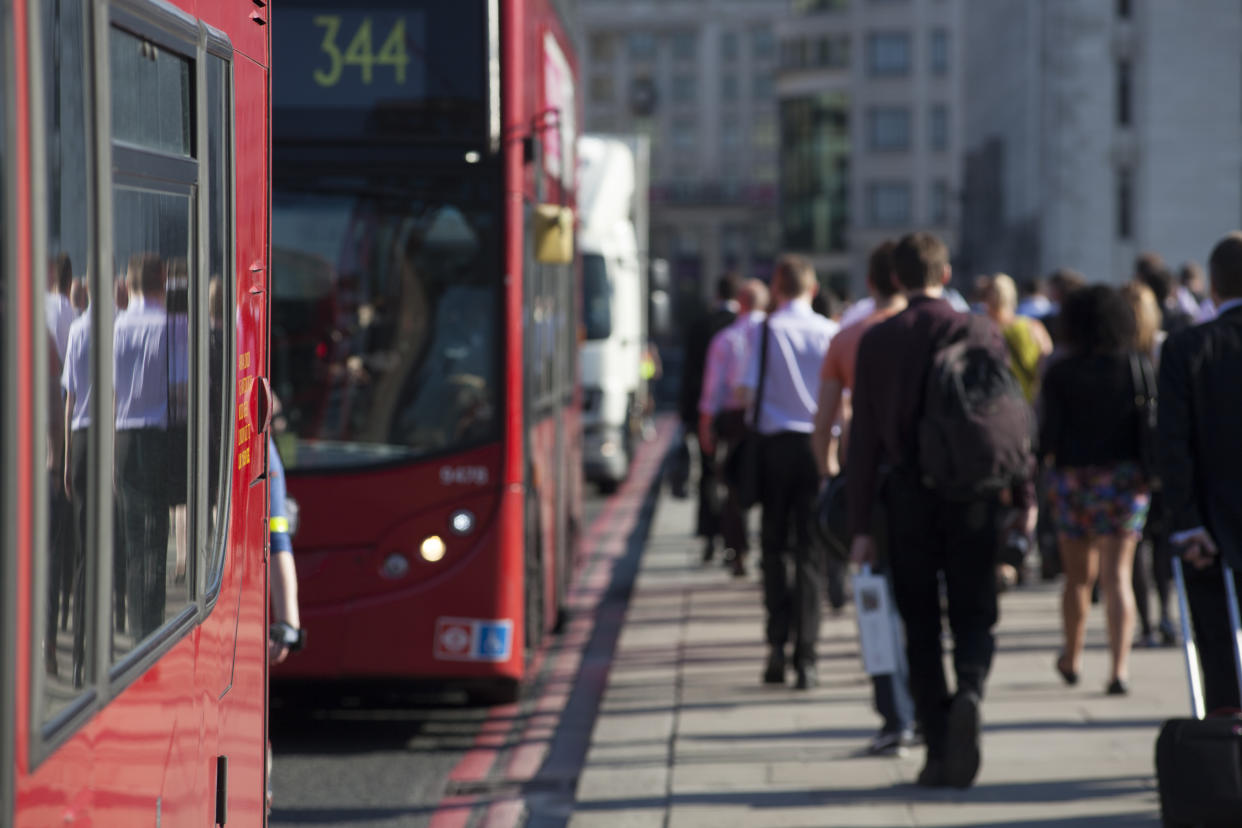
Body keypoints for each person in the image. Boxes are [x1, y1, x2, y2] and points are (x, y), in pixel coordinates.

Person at [848, 231, 1016, 789]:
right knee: (974, 610)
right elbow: (1007, 415)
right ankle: (970, 686)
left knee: (918, 623)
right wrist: (1022, 496)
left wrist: (859, 526)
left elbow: (864, 441)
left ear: (894, 279)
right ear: (945, 275)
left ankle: (938, 742)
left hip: (908, 496)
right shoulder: (981, 329)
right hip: (974, 491)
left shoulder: (878, 340)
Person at [811, 240, 915, 755]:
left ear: (872, 282)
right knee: (922, 599)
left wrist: (831, 475)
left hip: (868, 481)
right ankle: (926, 703)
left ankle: (894, 714)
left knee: (876, 604)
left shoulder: (849, 337)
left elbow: (824, 424)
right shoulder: (931, 330)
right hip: (926, 479)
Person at [1040, 285, 1152, 697]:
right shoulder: (1135, 366)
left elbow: (1046, 436)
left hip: (1073, 480)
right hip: (1124, 480)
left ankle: (1073, 654)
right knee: (1118, 576)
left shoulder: (1061, 372)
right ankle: (1118, 668)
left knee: (1078, 578)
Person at [738, 255, 837, 690]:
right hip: (817, 447)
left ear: (777, 288)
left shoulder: (764, 332)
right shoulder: (829, 332)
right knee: (812, 553)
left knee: (775, 548)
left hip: (774, 447)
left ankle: (777, 645)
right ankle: (809, 657)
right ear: (812, 289)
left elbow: (745, 393)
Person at [1158, 231, 1242, 714]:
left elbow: (1172, 443)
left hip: (1211, 528)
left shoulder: (1188, 348)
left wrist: (1187, 521)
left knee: (1219, 651)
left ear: (1213, 287)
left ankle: (1229, 754)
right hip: (1214, 525)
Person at [113, 253, 172, 640]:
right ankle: (152, 629)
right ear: (162, 280)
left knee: (135, 539)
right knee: (157, 537)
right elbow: (181, 387)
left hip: (121, 437)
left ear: (130, 283)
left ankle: (138, 630)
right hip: (157, 435)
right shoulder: (170, 326)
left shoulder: (114, 326)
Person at [698, 278, 769, 577]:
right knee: (771, 490)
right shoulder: (773, 333)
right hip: (768, 419)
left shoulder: (726, 339)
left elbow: (712, 391)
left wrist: (705, 427)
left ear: (740, 302)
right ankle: (771, 553)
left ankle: (738, 553)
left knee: (733, 489)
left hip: (735, 422)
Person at [1121, 281, 1175, 648]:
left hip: (1129, 460)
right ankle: (1166, 615)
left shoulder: (1118, 356)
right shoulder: (1166, 347)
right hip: (1165, 458)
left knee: (1137, 544)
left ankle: (1147, 624)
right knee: (1162, 542)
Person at [678, 274, 740, 561]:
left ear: (716, 294)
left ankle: (709, 536)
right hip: (738, 417)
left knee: (707, 476)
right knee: (734, 479)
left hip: (706, 415)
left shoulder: (700, 326)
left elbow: (690, 375)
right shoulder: (744, 327)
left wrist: (689, 418)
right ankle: (734, 541)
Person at [983, 273, 1052, 404]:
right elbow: (1047, 358)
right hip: (1029, 400)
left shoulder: (986, 330)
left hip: (1000, 403)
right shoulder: (1033, 326)